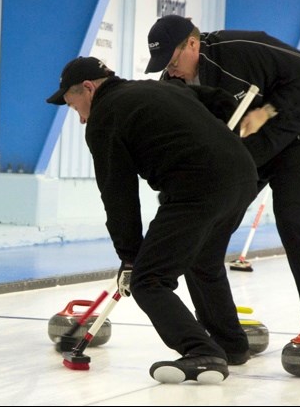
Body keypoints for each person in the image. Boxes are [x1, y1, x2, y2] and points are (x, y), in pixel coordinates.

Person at [46, 56, 259, 384]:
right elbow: (216, 100)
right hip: (243, 174)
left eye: (75, 109)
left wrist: (131, 257)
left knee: (149, 280)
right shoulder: (156, 90)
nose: (80, 120)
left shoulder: (105, 116)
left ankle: (202, 351)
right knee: (203, 262)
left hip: (198, 185)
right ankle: (231, 345)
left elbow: (118, 195)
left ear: (88, 89)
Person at [145, 15, 300, 337]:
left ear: (192, 45)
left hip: (298, 140)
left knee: (293, 223)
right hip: (248, 153)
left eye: (173, 60)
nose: (170, 69)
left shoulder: (240, 48)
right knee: (205, 236)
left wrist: (268, 111)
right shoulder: (173, 85)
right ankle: (220, 328)